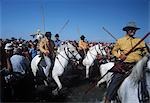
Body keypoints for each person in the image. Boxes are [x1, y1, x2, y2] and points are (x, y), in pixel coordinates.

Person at [104, 22, 148, 103]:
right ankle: (107, 99)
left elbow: (145, 52)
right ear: (127, 30)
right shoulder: (120, 41)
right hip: (126, 65)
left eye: (134, 29)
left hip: (139, 65)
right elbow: (114, 51)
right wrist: (120, 55)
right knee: (115, 80)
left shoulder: (140, 41)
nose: (133, 31)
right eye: (131, 29)